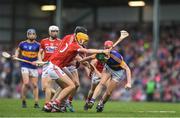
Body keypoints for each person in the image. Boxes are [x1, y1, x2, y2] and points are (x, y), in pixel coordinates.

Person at [43, 30, 109, 112]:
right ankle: (54, 104)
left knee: (67, 86)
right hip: (55, 67)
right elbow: (87, 51)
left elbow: (78, 58)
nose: (85, 43)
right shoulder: (75, 45)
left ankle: (56, 106)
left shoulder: (70, 41)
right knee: (72, 86)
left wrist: (86, 64)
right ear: (80, 39)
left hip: (57, 66)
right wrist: (102, 51)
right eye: (85, 41)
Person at [80, 40, 132, 112]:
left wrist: (129, 82)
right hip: (108, 68)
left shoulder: (117, 58)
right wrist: (80, 61)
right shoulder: (100, 54)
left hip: (117, 72)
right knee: (101, 83)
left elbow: (127, 69)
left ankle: (101, 104)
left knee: (108, 92)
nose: (102, 61)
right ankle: (92, 101)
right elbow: (90, 57)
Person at [14, 29, 40, 108]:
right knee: (26, 83)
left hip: (34, 66)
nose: (32, 35)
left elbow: (40, 55)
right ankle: (24, 101)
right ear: (27, 35)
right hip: (25, 65)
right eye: (30, 34)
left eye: (33, 34)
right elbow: (17, 50)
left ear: (35, 35)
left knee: (35, 85)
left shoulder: (38, 45)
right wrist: (16, 56)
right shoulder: (22, 44)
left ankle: (36, 103)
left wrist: (38, 61)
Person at [38, 25, 61, 106]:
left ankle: (47, 104)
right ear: (49, 32)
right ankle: (58, 97)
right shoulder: (44, 41)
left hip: (53, 65)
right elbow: (40, 53)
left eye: (56, 31)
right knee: (44, 88)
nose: (55, 33)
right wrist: (40, 60)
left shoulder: (60, 42)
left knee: (48, 85)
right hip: (45, 65)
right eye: (53, 31)